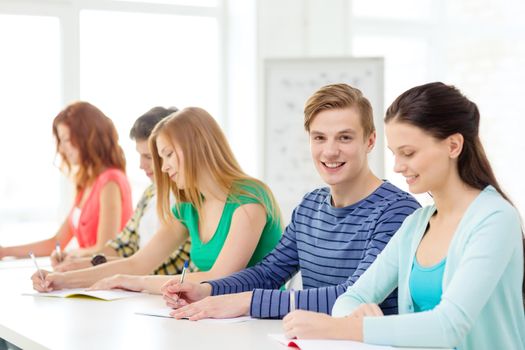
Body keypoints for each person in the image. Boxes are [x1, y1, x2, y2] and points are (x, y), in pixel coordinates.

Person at [282, 82, 525, 350]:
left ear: (453, 145)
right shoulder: (417, 224)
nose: (398, 167)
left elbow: (449, 326)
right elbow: (349, 298)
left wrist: (344, 327)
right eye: (395, 154)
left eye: (408, 153)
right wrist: (355, 314)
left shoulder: (495, 219)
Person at [160, 83, 420, 321]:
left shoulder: (398, 212)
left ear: (370, 140)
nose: (329, 151)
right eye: (319, 138)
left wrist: (248, 301)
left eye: (344, 137)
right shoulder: (310, 206)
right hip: (314, 340)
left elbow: (352, 295)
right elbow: (268, 273)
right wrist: (206, 290)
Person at [31, 107, 282, 293]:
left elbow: (219, 278)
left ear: (195, 147)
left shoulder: (249, 199)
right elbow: (138, 262)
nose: (163, 169)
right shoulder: (189, 206)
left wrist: (134, 282)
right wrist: (59, 280)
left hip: (259, 324)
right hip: (214, 318)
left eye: (168, 155)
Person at [53, 106, 194, 277]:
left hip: (155, 291)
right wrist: (82, 264)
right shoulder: (150, 192)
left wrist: (85, 270)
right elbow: (123, 246)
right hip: (142, 288)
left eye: (149, 157)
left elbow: (163, 266)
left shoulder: (188, 199)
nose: (141, 165)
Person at [0, 102, 133, 260]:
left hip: (102, 278)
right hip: (88, 275)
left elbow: (105, 250)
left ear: (88, 138)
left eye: (67, 140)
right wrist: (5, 251)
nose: (62, 149)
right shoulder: (86, 183)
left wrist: (70, 254)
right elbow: (56, 242)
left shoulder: (110, 181)